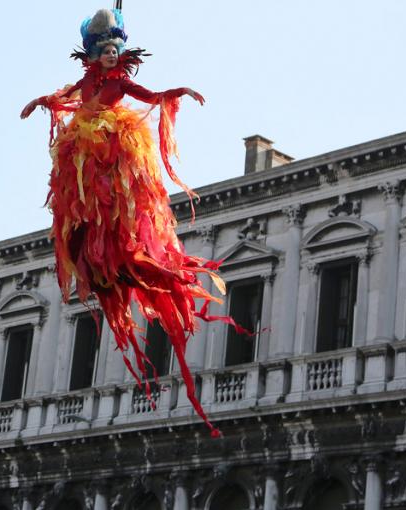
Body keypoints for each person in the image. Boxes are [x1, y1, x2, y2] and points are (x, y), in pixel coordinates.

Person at [21, 8, 241, 437]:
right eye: (102, 50)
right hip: (84, 150)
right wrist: (41, 102)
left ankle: (123, 249)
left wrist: (180, 92)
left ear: (119, 54)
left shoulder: (120, 82)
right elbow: (67, 96)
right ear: (93, 53)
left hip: (112, 145)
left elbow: (149, 95)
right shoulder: (87, 82)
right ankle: (97, 250)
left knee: (120, 196)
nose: (108, 55)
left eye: (113, 50)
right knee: (86, 202)